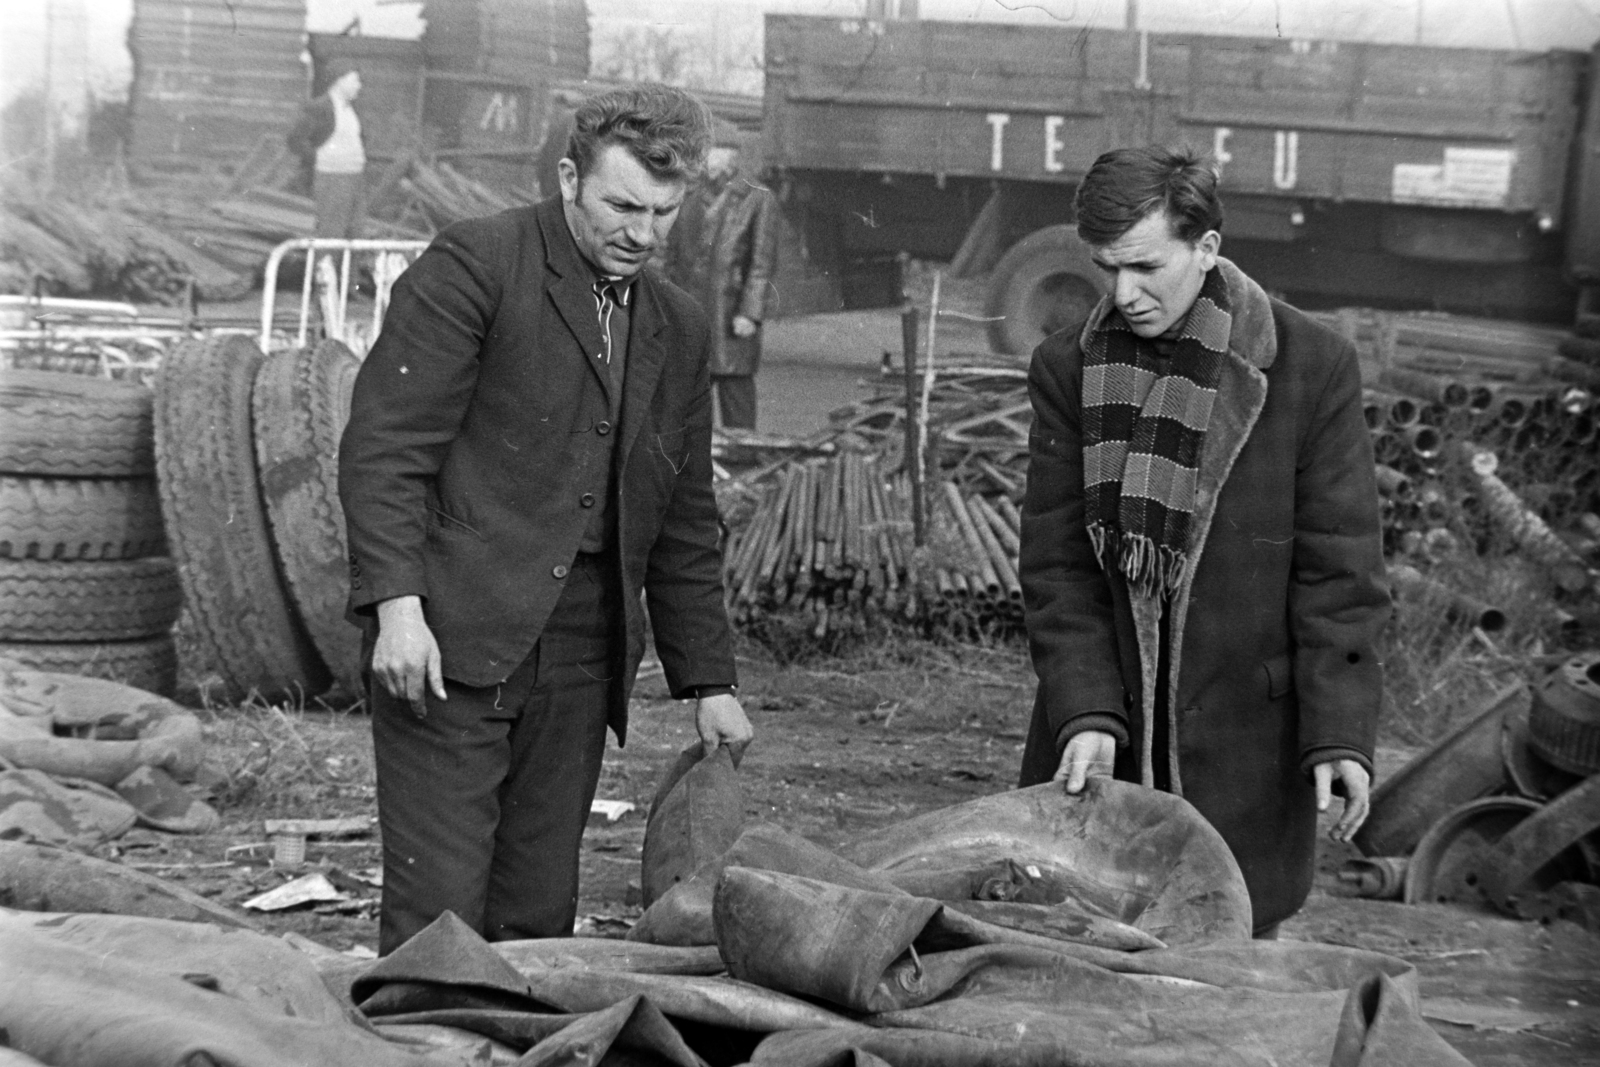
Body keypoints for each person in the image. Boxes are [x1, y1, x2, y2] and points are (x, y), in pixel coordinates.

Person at [338, 84, 754, 955]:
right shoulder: (476, 266)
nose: (642, 234)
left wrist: (708, 680)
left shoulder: (676, 325)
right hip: (451, 635)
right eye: (622, 205)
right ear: (568, 178)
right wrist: (397, 608)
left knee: (536, 918)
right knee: (440, 921)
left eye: (665, 212)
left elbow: (681, 516)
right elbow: (386, 449)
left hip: (581, 654)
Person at [1016, 145, 1390, 937]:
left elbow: (1339, 571)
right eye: (1106, 267)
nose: (1124, 294)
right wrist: (1084, 713)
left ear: (1207, 248)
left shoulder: (1310, 366)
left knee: (1228, 978)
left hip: (1247, 758)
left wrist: (1338, 734)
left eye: (1146, 266)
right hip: (1105, 742)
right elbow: (1058, 568)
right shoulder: (1067, 368)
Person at [663, 142, 778, 429]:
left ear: (731, 157)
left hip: (730, 315)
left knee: (736, 400)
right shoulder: (685, 194)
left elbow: (761, 263)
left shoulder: (758, 198)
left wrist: (750, 313)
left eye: (712, 151)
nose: (705, 159)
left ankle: (743, 465)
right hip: (690, 314)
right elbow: (671, 257)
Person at [287, 63, 367, 238]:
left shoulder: (351, 109)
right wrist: (320, 159)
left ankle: (347, 267)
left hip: (355, 179)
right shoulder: (319, 108)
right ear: (339, 81)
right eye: (354, 80)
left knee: (355, 233)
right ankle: (324, 265)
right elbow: (295, 140)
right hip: (332, 180)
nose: (359, 85)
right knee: (331, 234)